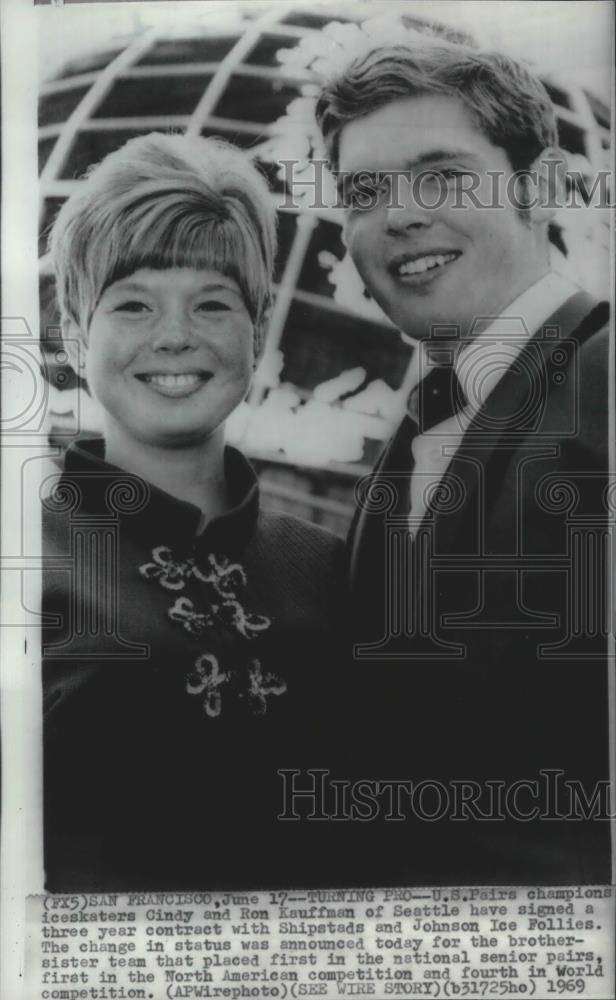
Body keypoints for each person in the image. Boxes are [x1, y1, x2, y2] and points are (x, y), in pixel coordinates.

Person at [315, 39, 611, 883]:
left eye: (441, 174)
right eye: (365, 191)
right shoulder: (421, 428)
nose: (400, 215)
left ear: (545, 187)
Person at [42, 133, 347, 891]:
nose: (174, 334)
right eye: (134, 303)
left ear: (259, 325)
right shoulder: (21, 565)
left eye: (213, 303)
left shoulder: (335, 566)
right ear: (77, 335)